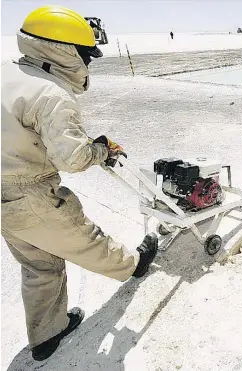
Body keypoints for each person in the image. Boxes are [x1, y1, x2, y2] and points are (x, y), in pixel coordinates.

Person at [1, 5, 158, 361]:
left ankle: (45, 335)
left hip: (2, 194)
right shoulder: (51, 94)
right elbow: (72, 158)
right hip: (31, 193)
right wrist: (100, 151)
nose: (88, 63)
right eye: (86, 55)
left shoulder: (7, 73)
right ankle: (133, 265)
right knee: (85, 239)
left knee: (40, 265)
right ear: (65, 50)